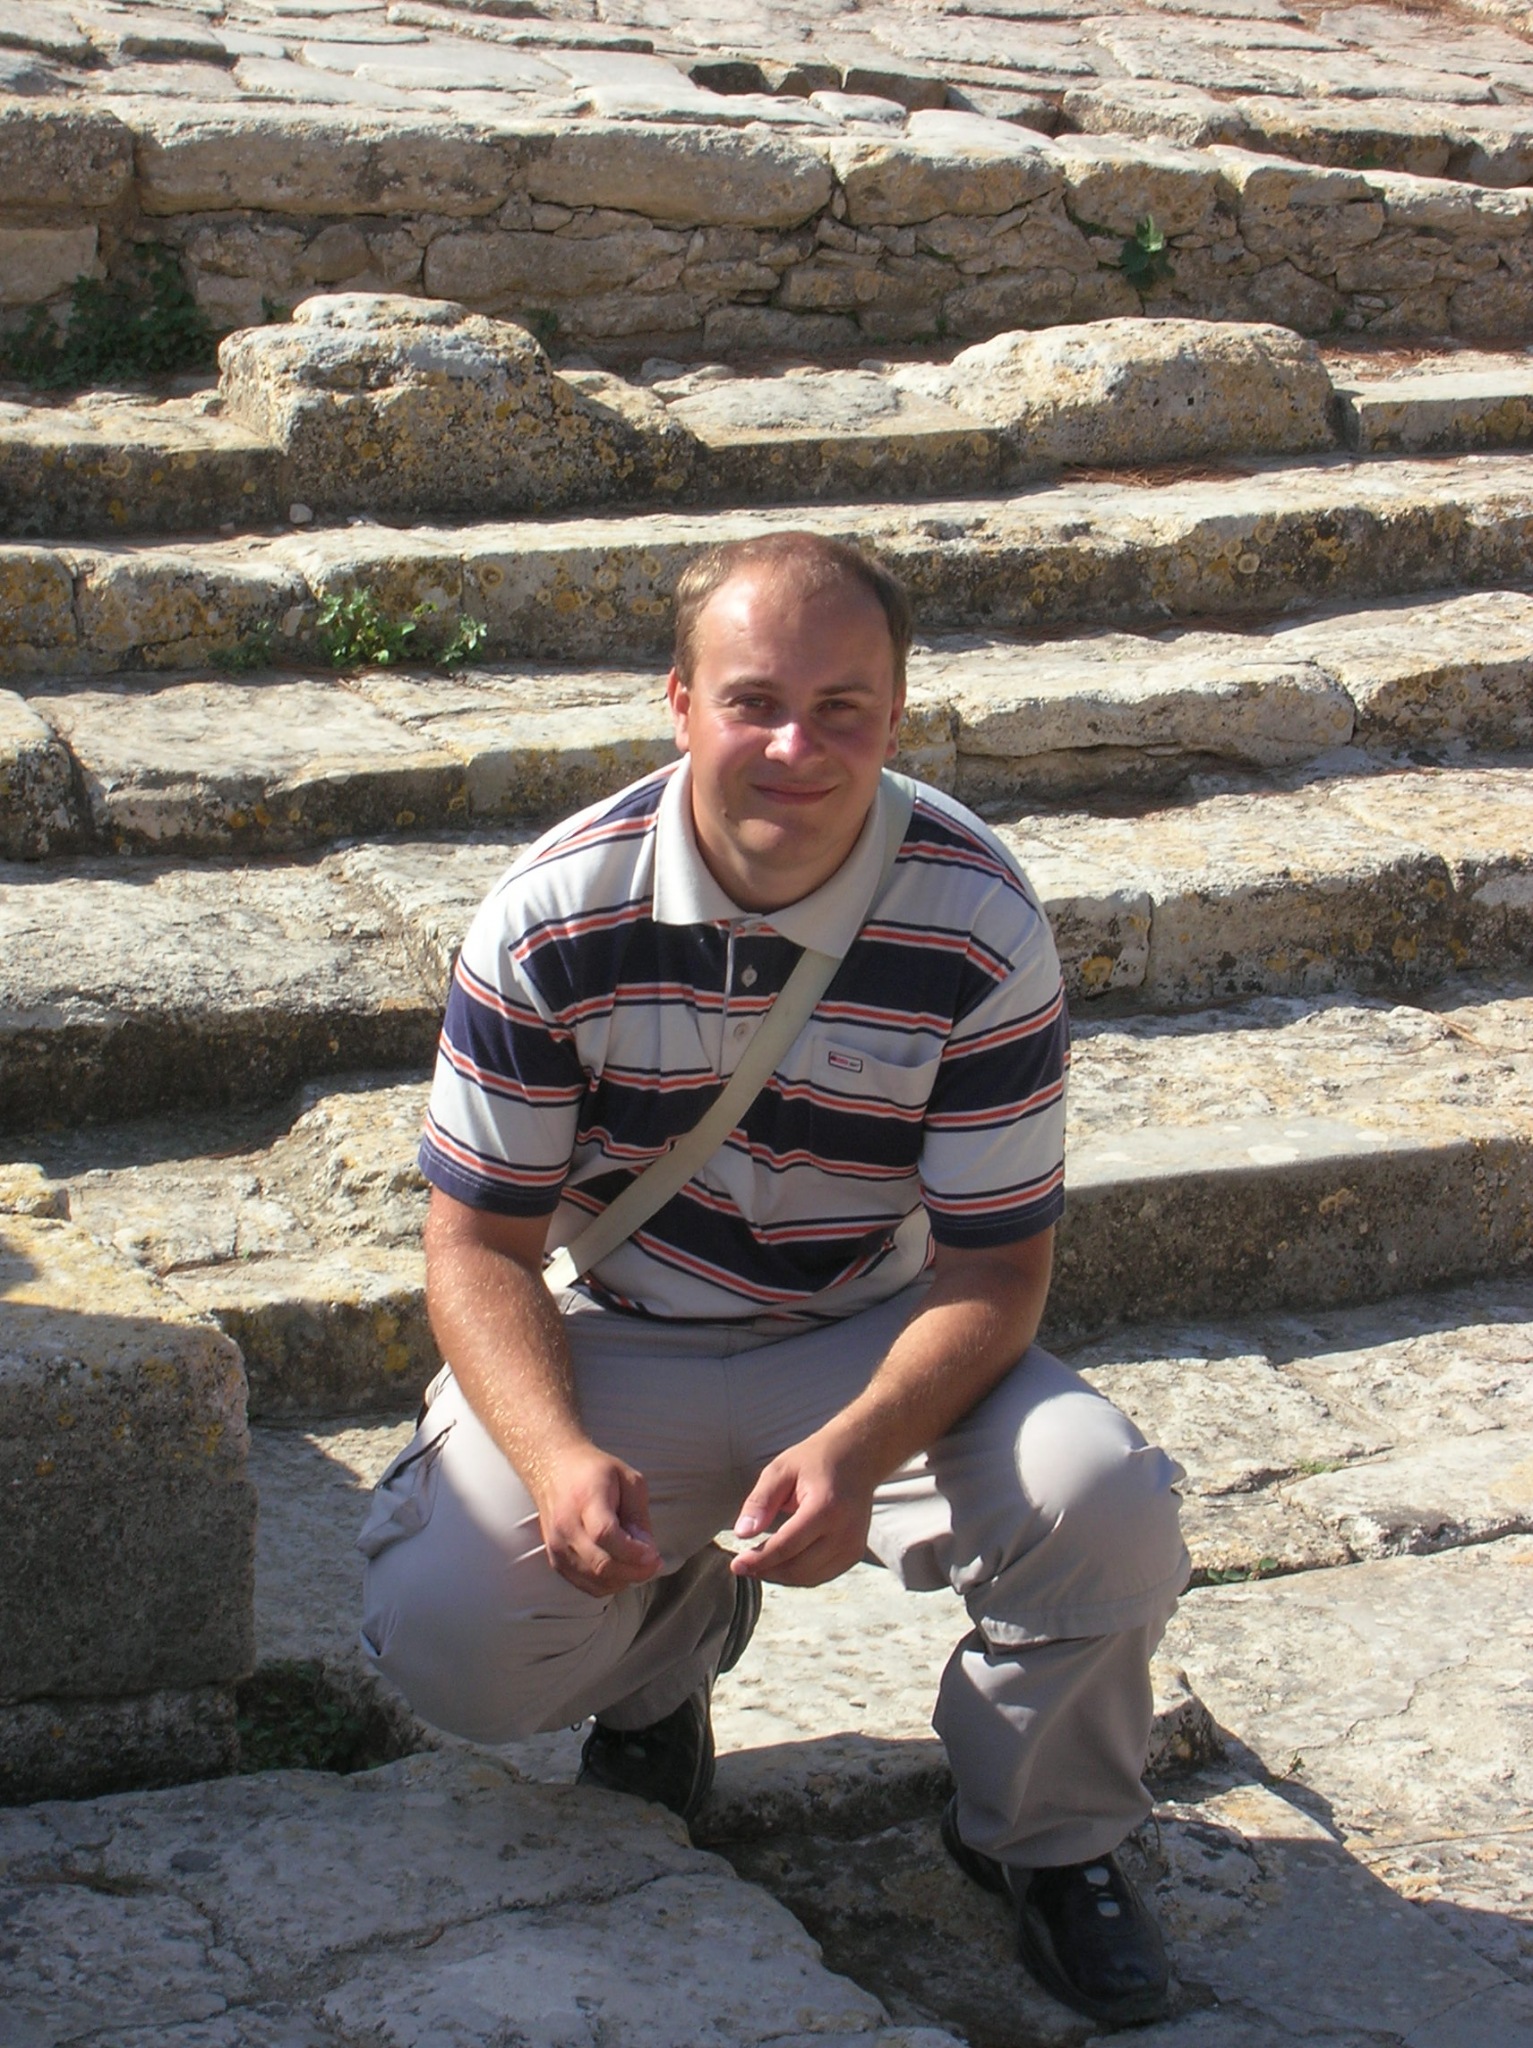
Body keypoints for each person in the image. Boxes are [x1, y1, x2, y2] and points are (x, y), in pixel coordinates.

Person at [359, 531, 1189, 2031]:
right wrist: (554, 1456)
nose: (796, 749)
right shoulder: (554, 912)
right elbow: (475, 1244)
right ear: (679, 702)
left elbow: (998, 1266)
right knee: (452, 1636)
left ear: (896, 714)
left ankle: (1050, 1834)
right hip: (631, 1330)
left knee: (1100, 1500)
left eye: (841, 708)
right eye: (753, 702)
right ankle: (665, 1661)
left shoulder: (976, 915)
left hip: (875, 1329)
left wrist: (859, 1447)